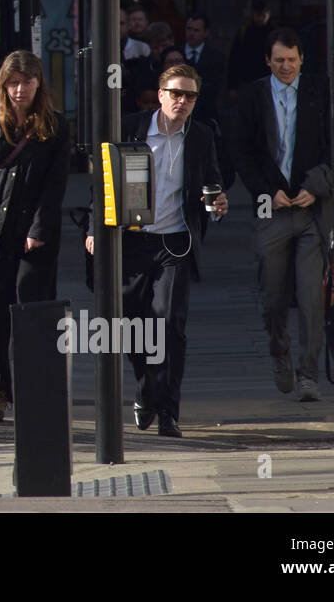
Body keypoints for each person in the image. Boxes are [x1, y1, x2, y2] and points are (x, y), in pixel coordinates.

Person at [85, 65, 228, 437]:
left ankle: (169, 412)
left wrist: (217, 202)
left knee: (169, 324)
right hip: (132, 239)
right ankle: (147, 388)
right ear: (160, 94)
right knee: (133, 326)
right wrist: (93, 230)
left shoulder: (200, 135)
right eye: (176, 93)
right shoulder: (131, 127)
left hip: (175, 242)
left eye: (191, 96)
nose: (182, 101)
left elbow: (212, 179)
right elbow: (102, 183)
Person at [0, 50, 70, 422]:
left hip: (32, 233)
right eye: (13, 82)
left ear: (40, 83)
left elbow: (54, 187)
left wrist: (38, 230)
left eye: (28, 82)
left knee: (32, 307)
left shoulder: (54, 126)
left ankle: (35, 387)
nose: (20, 90)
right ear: (3, 84)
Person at [232, 27, 333, 403]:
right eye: (279, 61)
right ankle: (280, 350)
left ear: (302, 58)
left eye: (291, 60)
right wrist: (265, 191)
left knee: (310, 298)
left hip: (310, 208)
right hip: (270, 206)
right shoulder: (252, 95)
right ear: (267, 61)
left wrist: (318, 186)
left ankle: (309, 375)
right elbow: (241, 151)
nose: (286, 67)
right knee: (273, 296)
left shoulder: (320, 91)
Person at [227, 0, 276, 100]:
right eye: (258, 15)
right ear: (253, 14)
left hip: (270, 82)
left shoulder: (274, 34)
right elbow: (234, 60)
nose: (260, 18)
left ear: (268, 14)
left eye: (263, 15)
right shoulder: (244, 33)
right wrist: (232, 86)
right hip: (248, 82)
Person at [183, 12, 225, 128]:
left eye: (196, 30)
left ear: (206, 33)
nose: (191, 34)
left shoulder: (216, 57)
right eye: (189, 29)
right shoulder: (177, 54)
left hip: (206, 114)